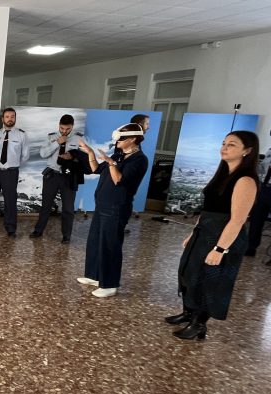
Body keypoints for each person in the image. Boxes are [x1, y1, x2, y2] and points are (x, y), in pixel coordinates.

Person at [166, 131, 259, 340]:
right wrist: (193, 234)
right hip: (204, 232)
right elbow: (207, 209)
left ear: (247, 151)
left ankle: (199, 324)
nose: (224, 147)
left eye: (232, 145)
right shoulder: (222, 174)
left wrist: (220, 249)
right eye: (224, 143)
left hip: (223, 237)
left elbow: (237, 220)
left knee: (209, 281)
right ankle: (189, 312)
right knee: (188, 272)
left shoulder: (245, 180)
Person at [76, 123, 148, 297]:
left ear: (133, 139)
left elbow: (119, 180)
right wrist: (91, 153)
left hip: (117, 208)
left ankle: (109, 284)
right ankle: (94, 276)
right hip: (102, 206)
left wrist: (111, 163)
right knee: (95, 241)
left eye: (121, 139)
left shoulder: (139, 160)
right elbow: (96, 169)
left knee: (110, 246)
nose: (117, 142)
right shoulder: (118, 155)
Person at [29, 114, 89, 243]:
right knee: (46, 205)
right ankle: (38, 230)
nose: (64, 131)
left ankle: (66, 236)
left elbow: (86, 158)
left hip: (68, 176)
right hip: (52, 175)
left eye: (67, 129)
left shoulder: (79, 138)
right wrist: (57, 142)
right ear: (59, 126)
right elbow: (43, 154)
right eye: (62, 128)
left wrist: (73, 157)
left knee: (68, 208)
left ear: (72, 127)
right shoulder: (52, 136)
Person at [0, 107, 29, 236]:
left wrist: (13, 165)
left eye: (12, 116)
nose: (10, 119)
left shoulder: (21, 135)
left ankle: (10, 228)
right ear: (3, 119)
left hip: (10, 172)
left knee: (10, 201)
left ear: (15, 118)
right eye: (7, 116)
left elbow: (25, 155)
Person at [245, 143, 271, 257]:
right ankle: (251, 247)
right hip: (264, 188)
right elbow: (261, 170)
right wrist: (254, 162)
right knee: (256, 219)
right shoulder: (270, 151)